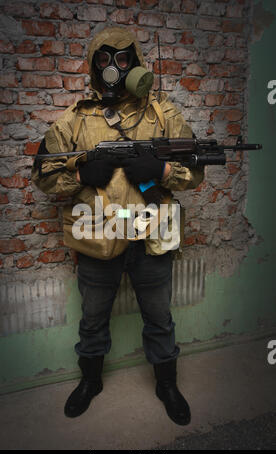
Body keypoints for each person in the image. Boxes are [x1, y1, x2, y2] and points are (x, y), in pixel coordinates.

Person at [32, 27, 204, 426]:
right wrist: (80, 176)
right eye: (105, 59)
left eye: (123, 59)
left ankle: (166, 385)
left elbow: (195, 171)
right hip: (97, 235)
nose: (114, 68)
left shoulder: (163, 113)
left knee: (159, 317)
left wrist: (160, 169)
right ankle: (90, 382)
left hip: (151, 235)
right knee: (92, 317)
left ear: (136, 63)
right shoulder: (76, 120)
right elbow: (42, 174)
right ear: (94, 65)